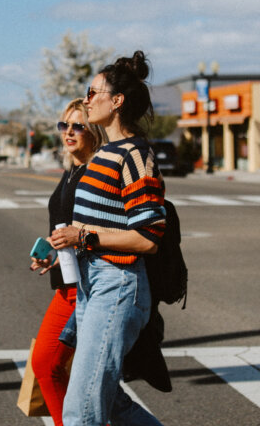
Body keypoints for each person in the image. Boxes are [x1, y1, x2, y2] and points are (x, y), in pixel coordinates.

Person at [51, 51, 167, 426]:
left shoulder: (135, 154)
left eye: (93, 91)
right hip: (92, 285)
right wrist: (65, 246)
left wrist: (82, 234)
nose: (87, 99)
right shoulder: (104, 155)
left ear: (117, 101)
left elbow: (148, 237)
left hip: (117, 285)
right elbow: (98, 226)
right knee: (108, 401)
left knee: (81, 409)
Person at [29, 98, 105, 426]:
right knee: (49, 367)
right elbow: (66, 226)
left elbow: (98, 230)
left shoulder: (96, 173)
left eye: (78, 126)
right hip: (66, 283)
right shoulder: (71, 170)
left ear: (95, 131)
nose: (69, 132)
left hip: (86, 288)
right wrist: (49, 251)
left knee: (52, 367)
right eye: (64, 125)